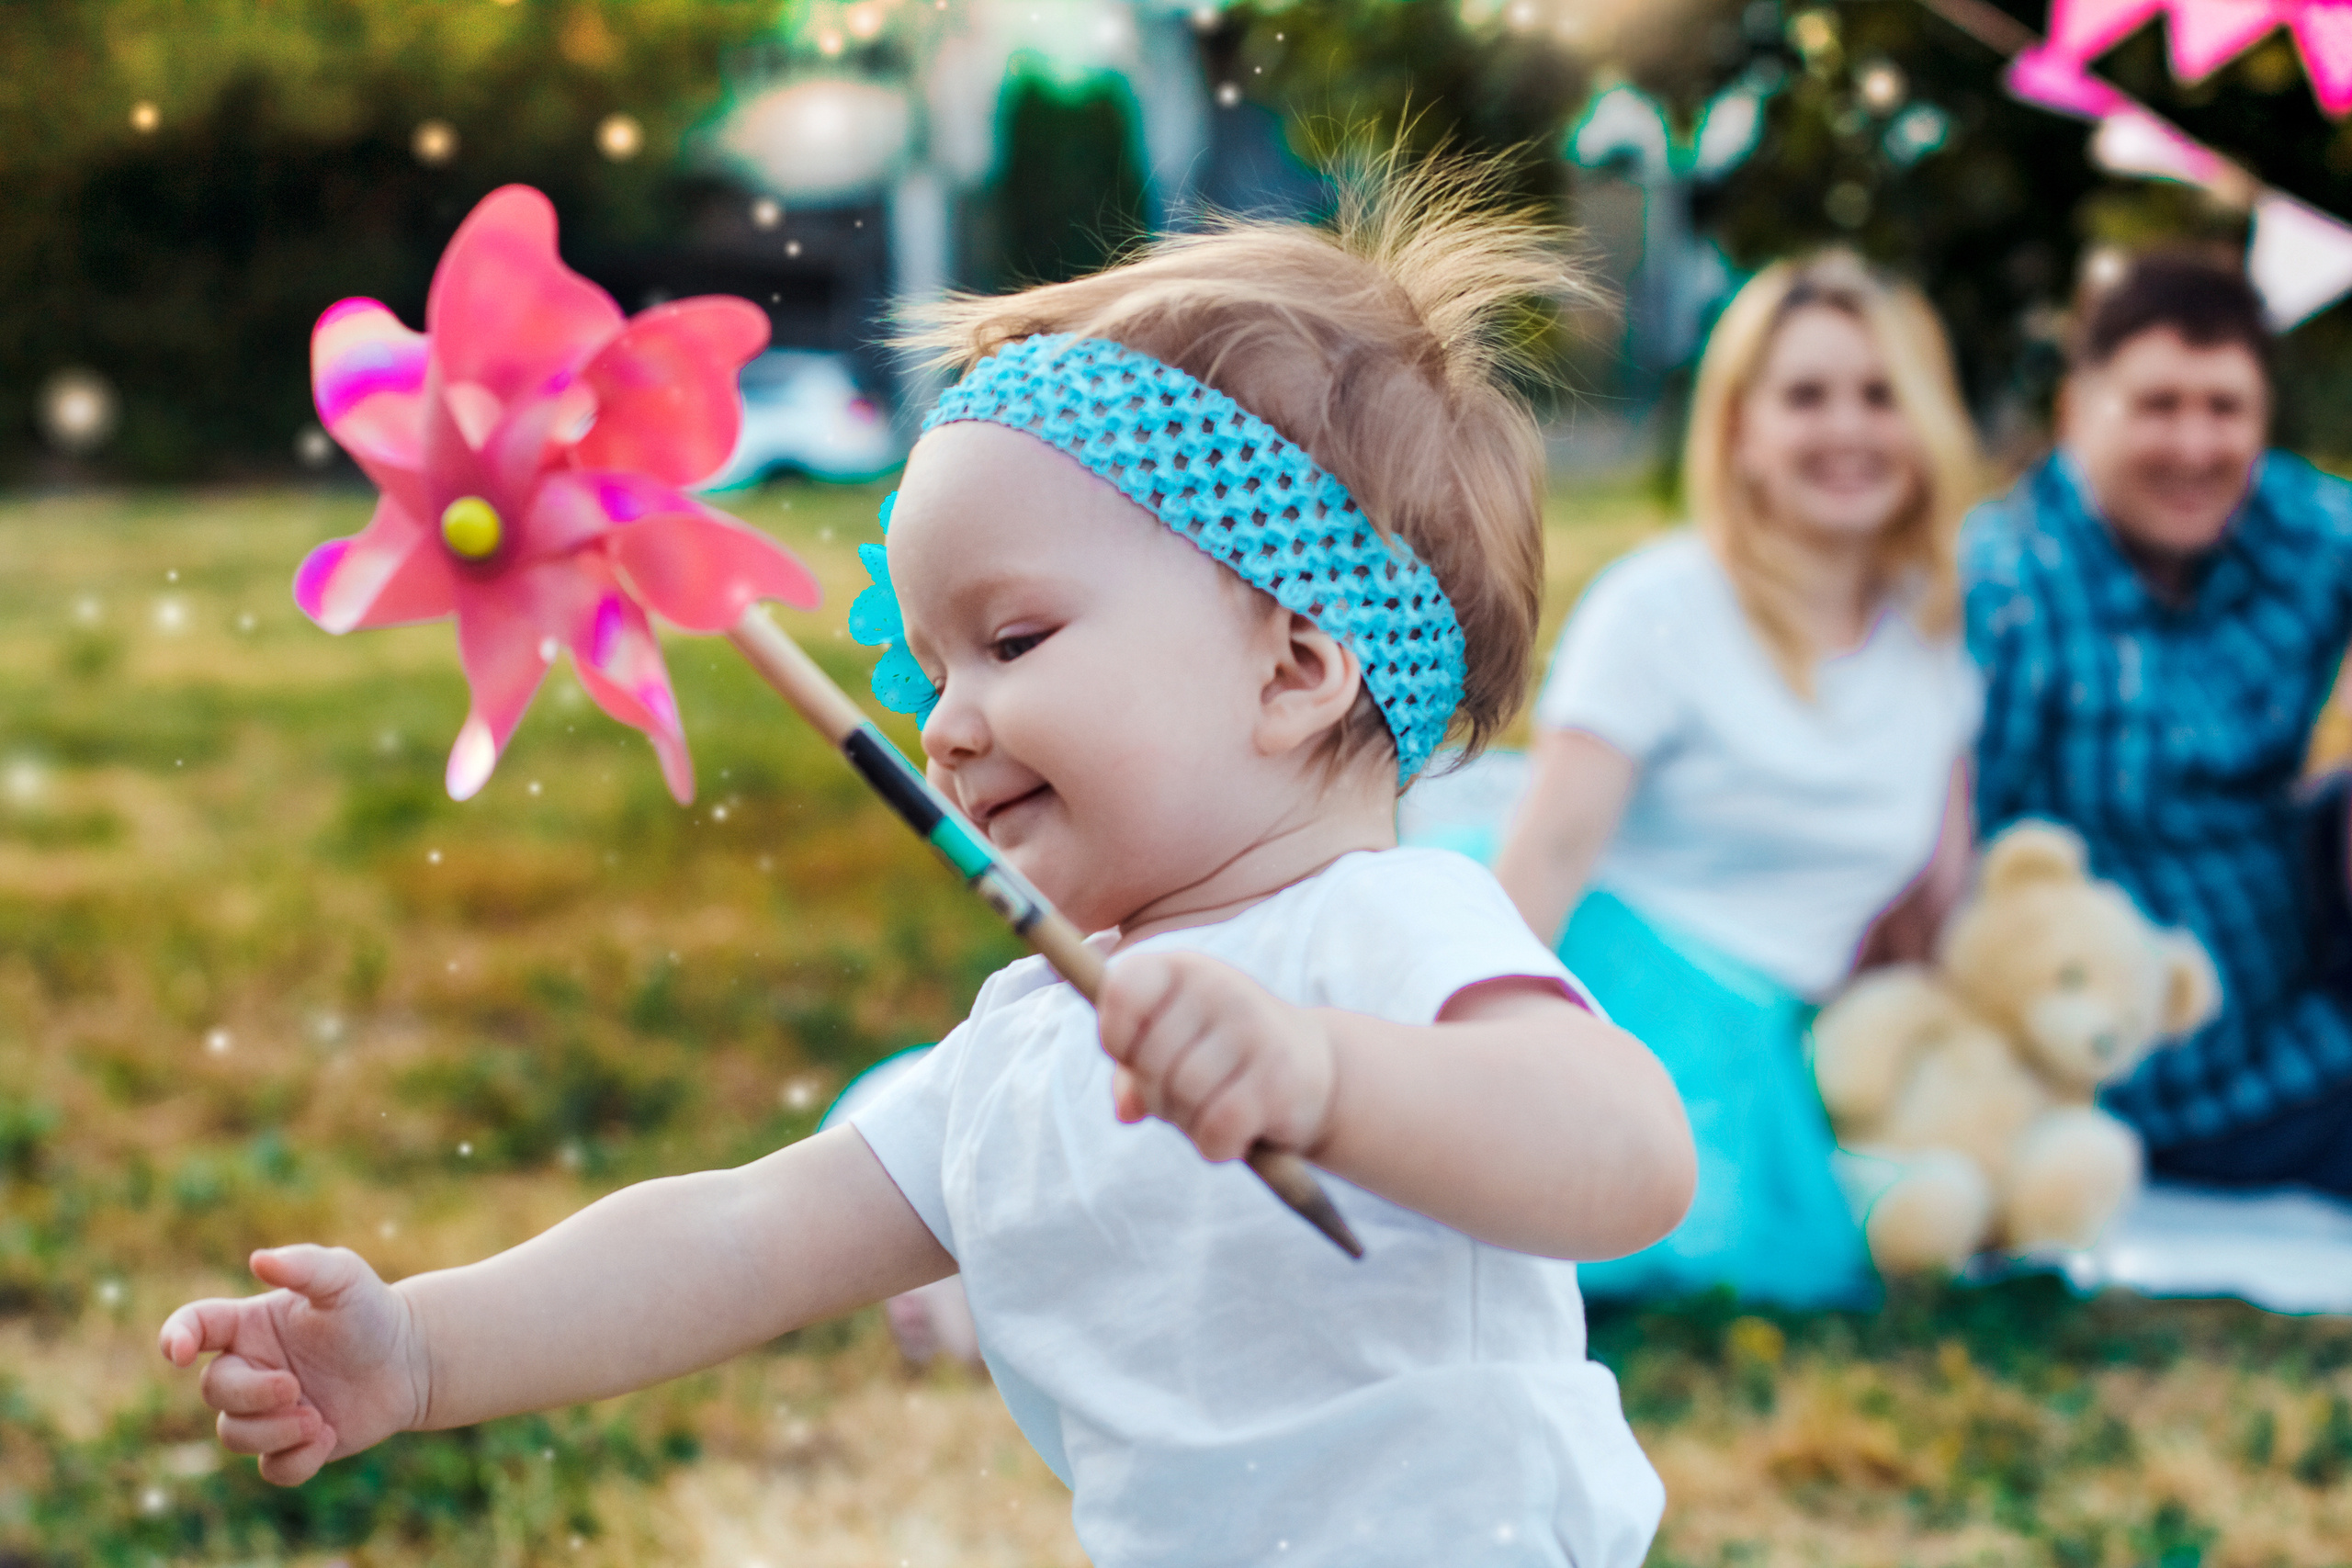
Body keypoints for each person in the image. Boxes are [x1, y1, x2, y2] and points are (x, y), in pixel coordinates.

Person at [157, 162, 1695, 1568]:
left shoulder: (1385, 930)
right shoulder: (1029, 1041)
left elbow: (1626, 1155)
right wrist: (423, 1350)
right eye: (934, 663)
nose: (950, 723)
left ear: (1297, 667)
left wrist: (1324, 1078)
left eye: (1014, 638)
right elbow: (737, 1235)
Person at [1492, 252, 1984, 1306]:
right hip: (1614, 987)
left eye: (1879, 395)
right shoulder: (1660, 604)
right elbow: (1549, 853)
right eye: (1806, 396)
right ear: (1742, 433)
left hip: (1779, 1038)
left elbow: (1929, 907)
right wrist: (1467, 1053)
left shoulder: (1933, 635)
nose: (1846, 428)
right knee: (1637, 1237)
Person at [1964, 251, 2352, 1199]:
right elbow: (1955, 867)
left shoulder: (2292, 529)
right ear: (2074, 415)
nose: (2193, 446)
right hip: (2152, 1052)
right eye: (2157, 405)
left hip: (2302, 953)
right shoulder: (2008, 588)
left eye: (2223, 409)